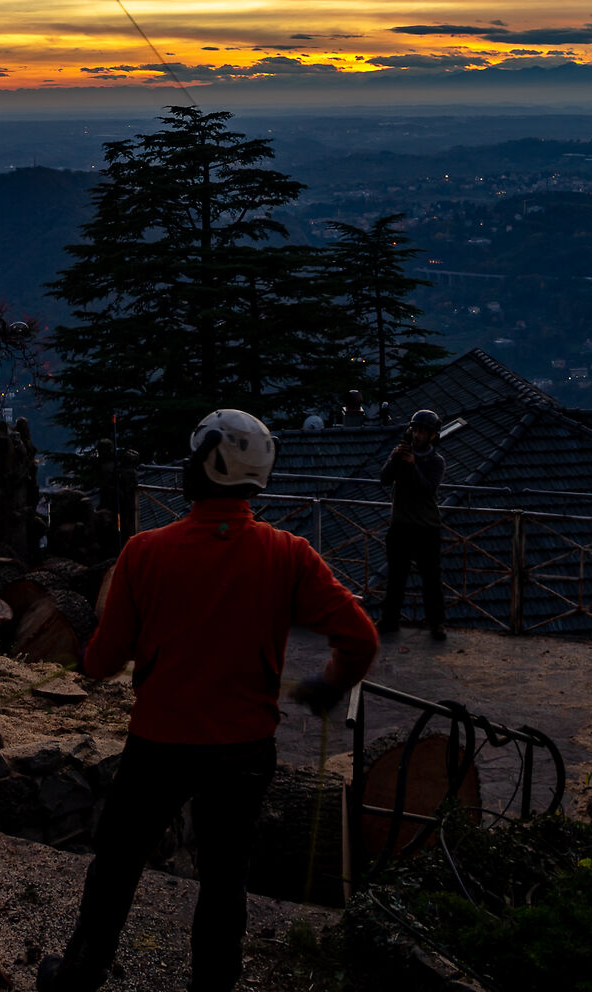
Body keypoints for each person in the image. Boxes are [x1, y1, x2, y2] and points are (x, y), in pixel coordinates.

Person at [41, 410, 377, 992]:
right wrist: (327, 684)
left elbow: (103, 661)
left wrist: (84, 662)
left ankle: (81, 971)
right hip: (244, 747)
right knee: (226, 880)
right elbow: (361, 637)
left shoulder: (145, 553)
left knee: (118, 862)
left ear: (200, 469)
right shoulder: (288, 554)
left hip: (160, 741)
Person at [377, 407, 448, 639]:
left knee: (431, 580)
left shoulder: (436, 462)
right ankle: (389, 620)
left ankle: (436, 624)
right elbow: (384, 479)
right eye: (415, 430)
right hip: (400, 526)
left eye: (422, 432)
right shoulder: (401, 453)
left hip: (427, 528)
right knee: (396, 577)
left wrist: (412, 465)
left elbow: (427, 489)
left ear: (432, 436)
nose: (417, 435)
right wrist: (397, 458)